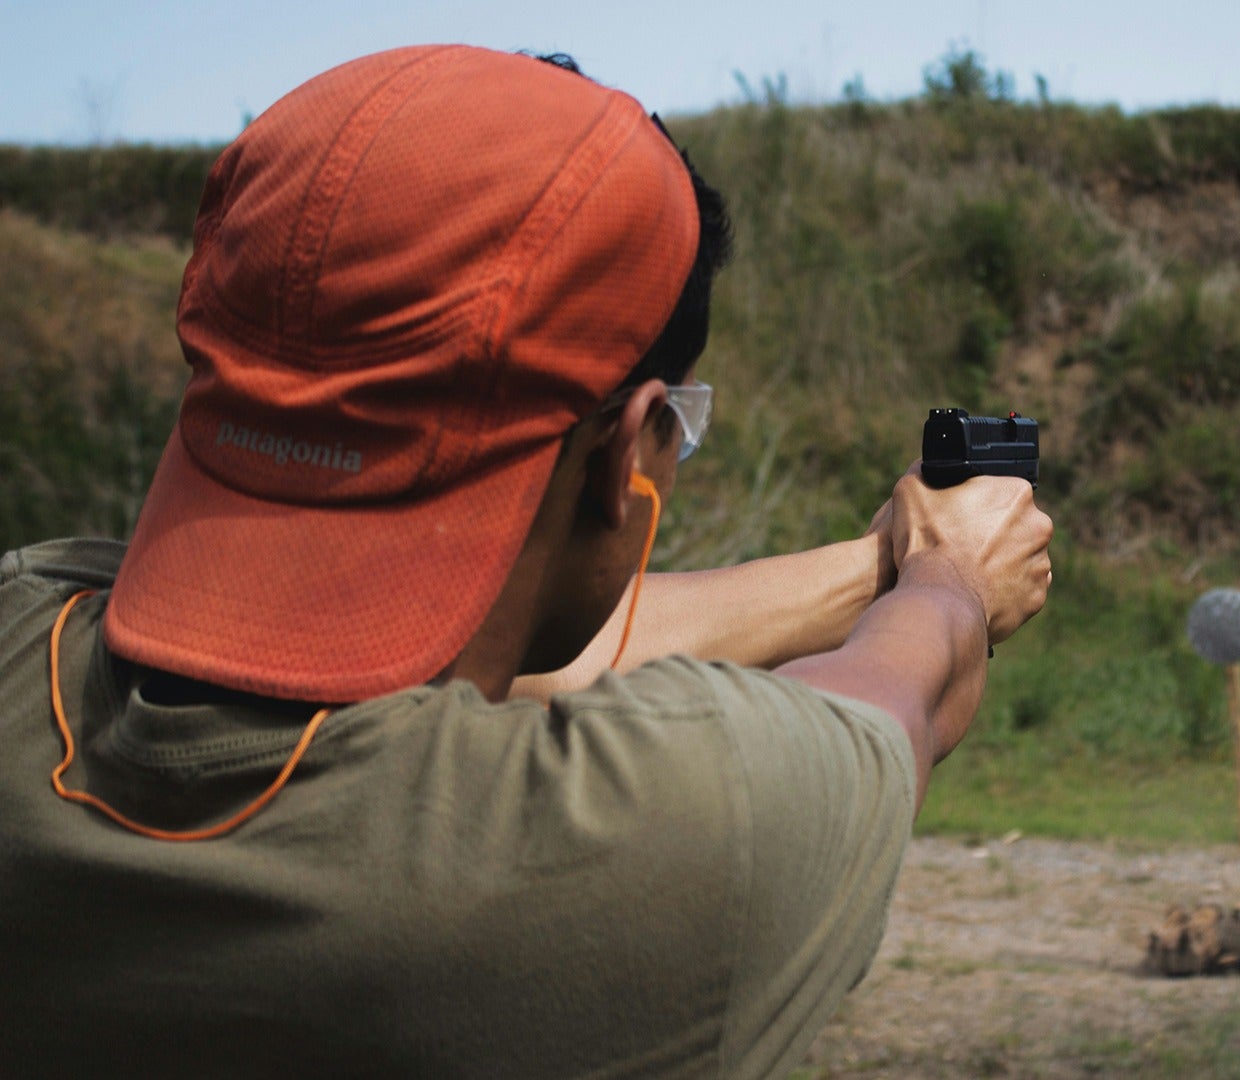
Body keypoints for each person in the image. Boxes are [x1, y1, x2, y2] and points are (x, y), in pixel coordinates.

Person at [0, 45, 1052, 1078]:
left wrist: (881, 562)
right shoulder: (678, 835)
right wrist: (951, 580)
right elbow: (893, 705)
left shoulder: (23, 624)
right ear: (631, 456)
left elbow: (508, 660)